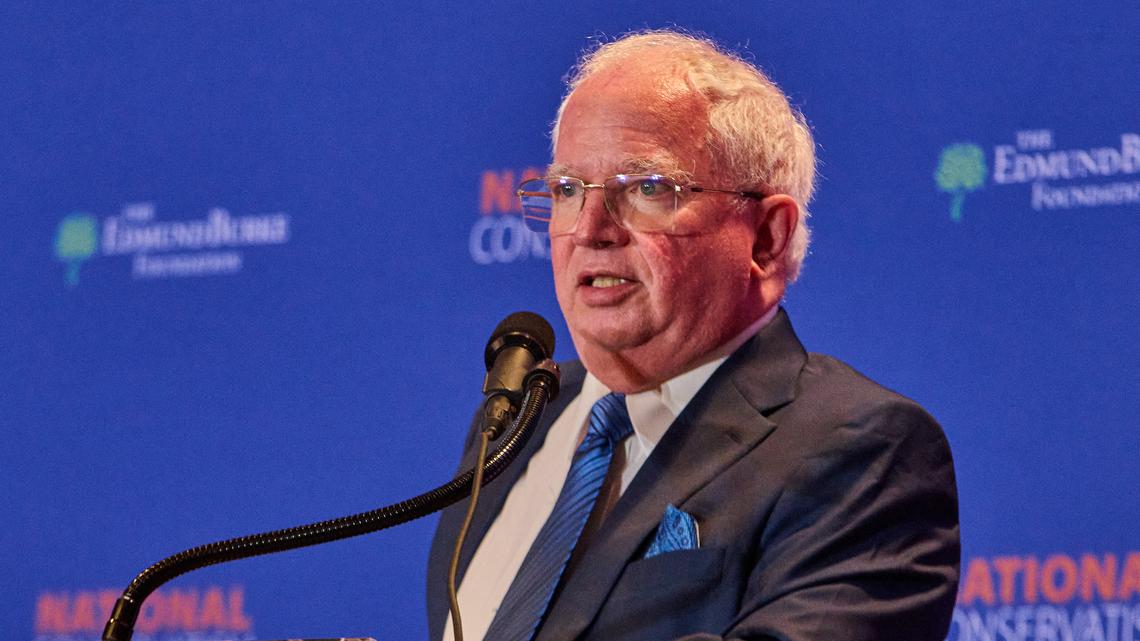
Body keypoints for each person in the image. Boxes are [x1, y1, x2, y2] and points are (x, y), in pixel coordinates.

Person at [427, 30, 959, 641]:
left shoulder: (864, 452)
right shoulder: (517, 421)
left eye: (649, 189)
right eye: (569, 190)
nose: (590, 230)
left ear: (766, 239)